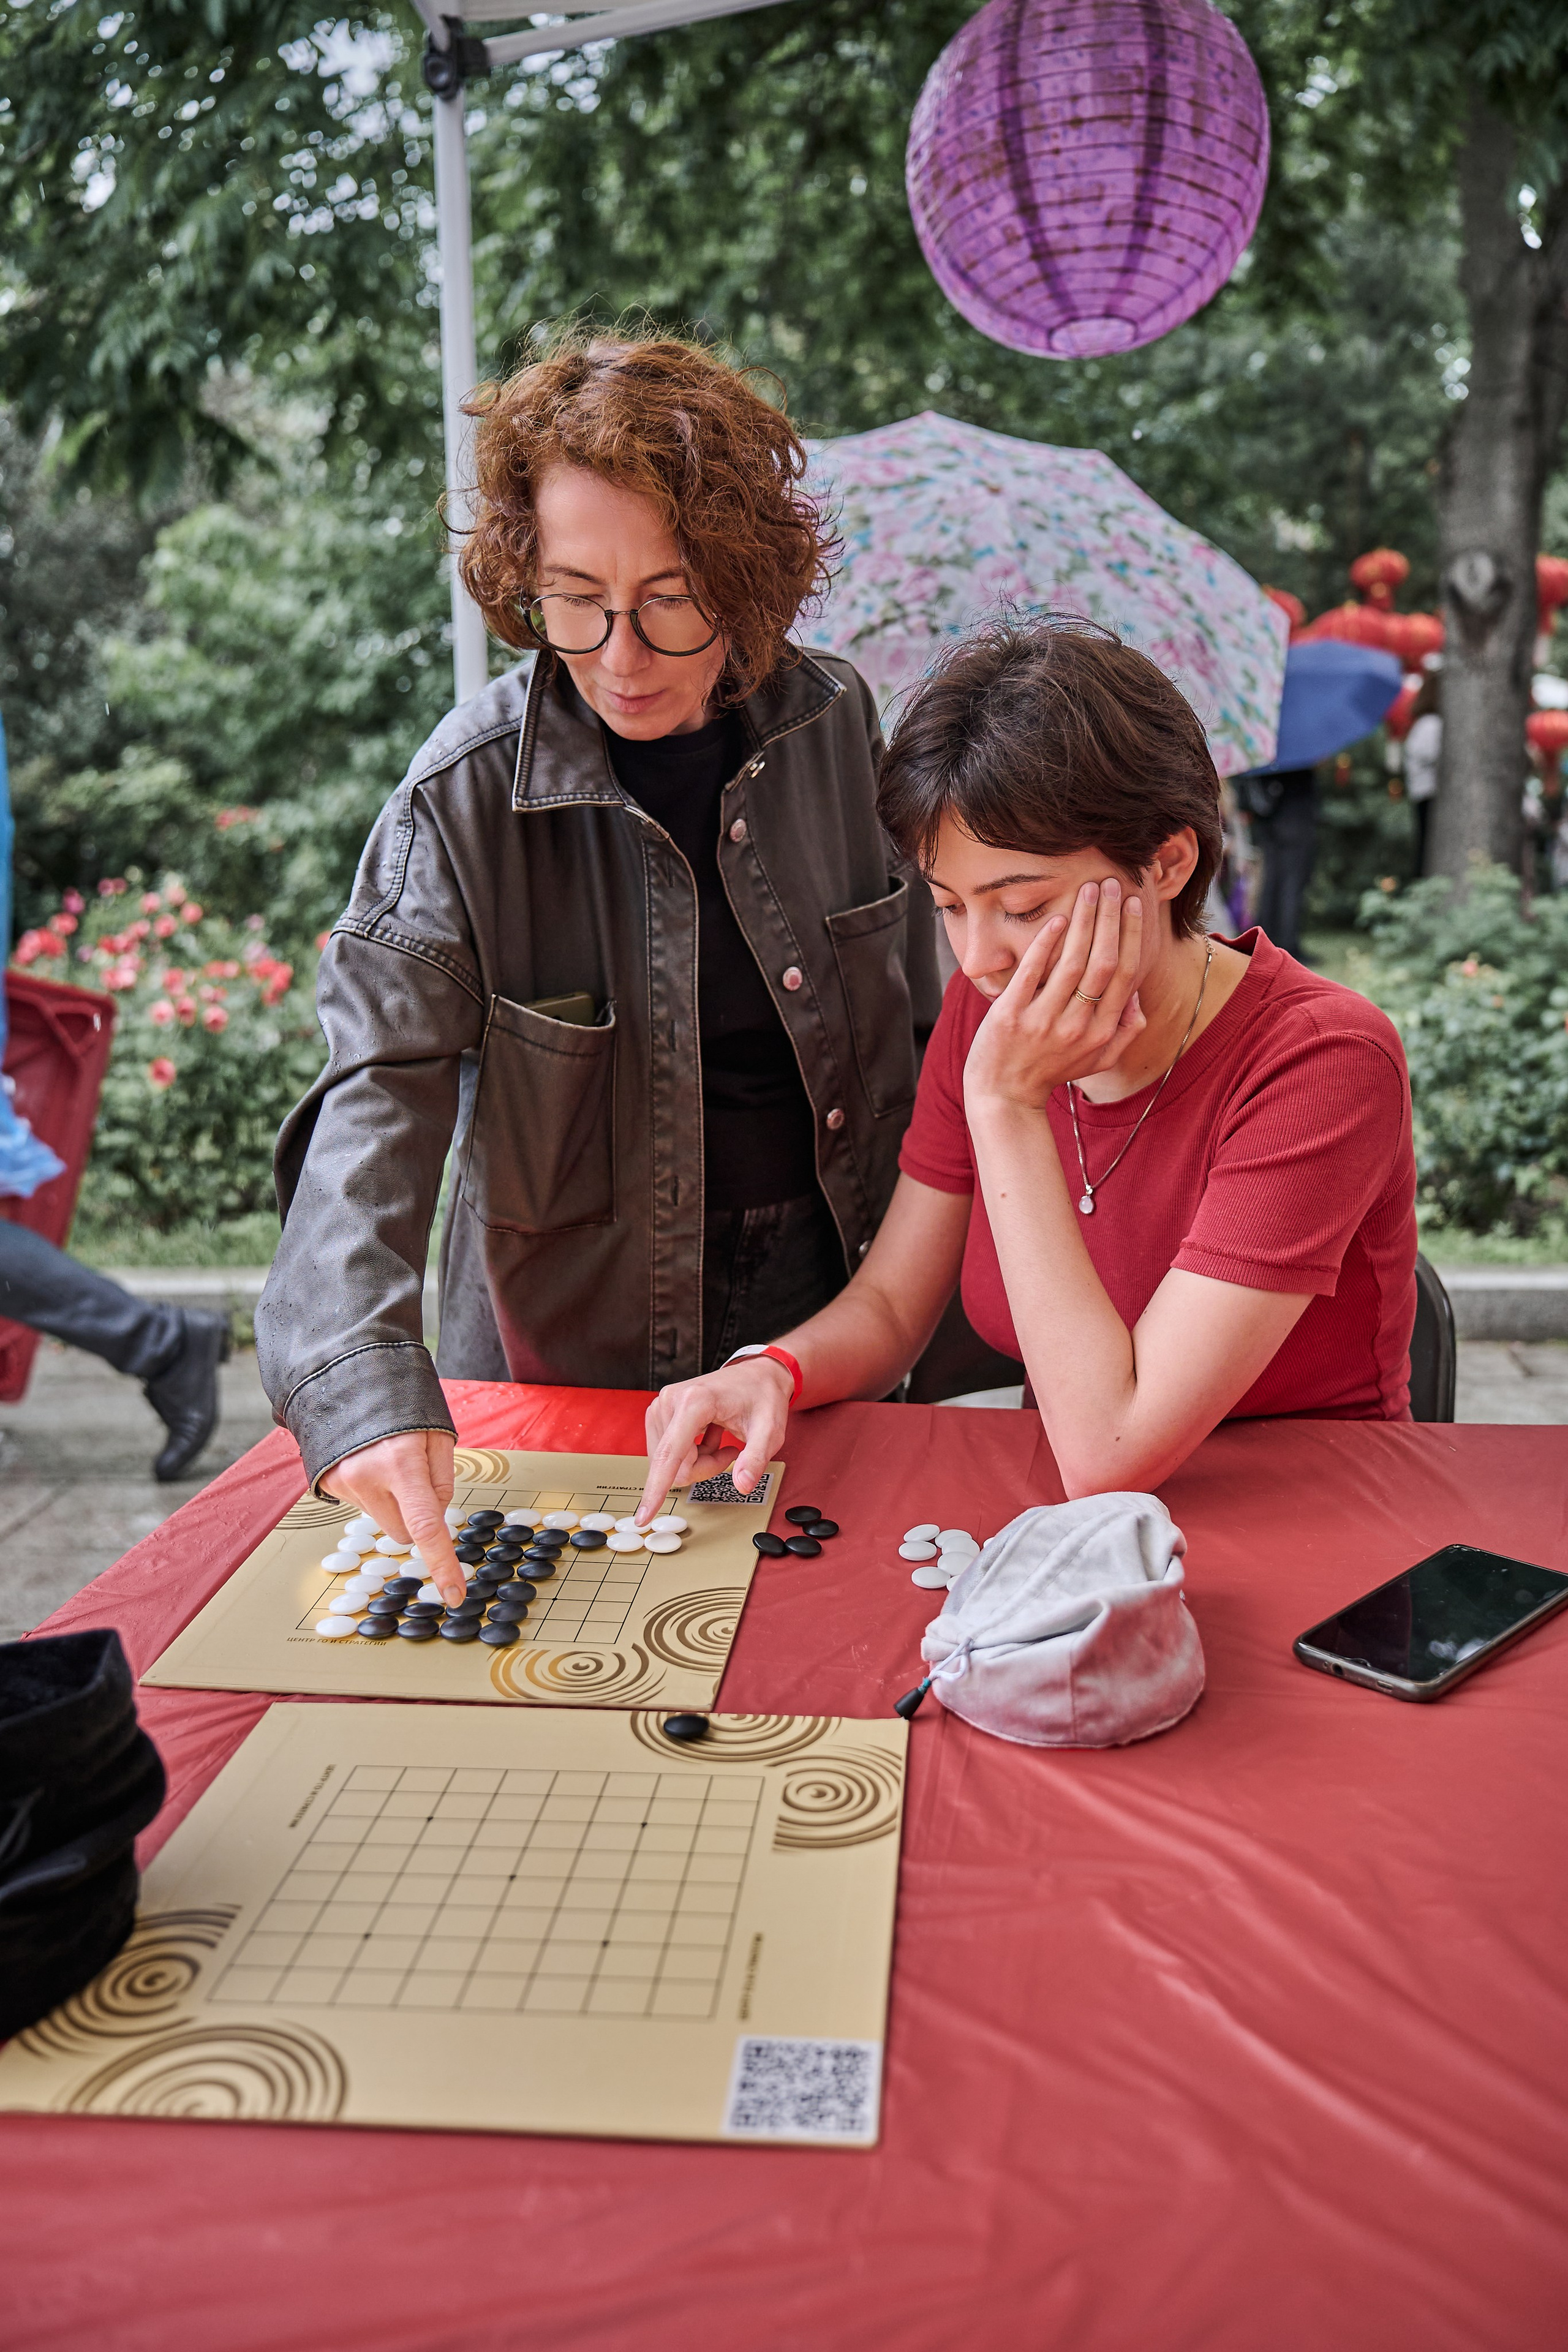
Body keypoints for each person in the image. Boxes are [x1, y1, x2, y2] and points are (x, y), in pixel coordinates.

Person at [255, 330, 939, 1604]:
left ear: (744, 581)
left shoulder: (837, 725)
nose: (620, 656)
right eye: (573, 599)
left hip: (824, 1314)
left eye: (669, 599)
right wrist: (355, 1384)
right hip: (557, 1348)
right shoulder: (459, 796)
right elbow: (376, 1099)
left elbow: (928, 1035)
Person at [635, 617, 1419, 1521]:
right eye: (951, 907)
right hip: (1078, 1541)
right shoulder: (995, 1007)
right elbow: (894, 1306)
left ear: (1166, 861)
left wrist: (1007, 1104)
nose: (978, 960)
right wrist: (775, 1369)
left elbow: (1110, 1449)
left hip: (1313, 1526)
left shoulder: (1322, 1060)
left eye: (1022, 905)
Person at [1403, 668, 1442, 877]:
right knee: (1427, 849)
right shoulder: (1431, 725)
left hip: (1423, 793)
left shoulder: (1425, 724)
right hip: (1428, 794)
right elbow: (1432, 756)